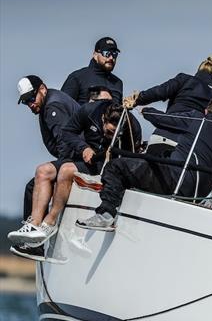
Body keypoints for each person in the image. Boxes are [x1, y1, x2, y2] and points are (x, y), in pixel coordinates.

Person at [76, 96, 212, 231]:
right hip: (198, 196)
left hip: (174, 181)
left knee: (116, 167)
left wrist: (145, 110)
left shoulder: (198, 119)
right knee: (164, 155)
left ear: (207, 111)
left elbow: (162, 119)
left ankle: (106, 215)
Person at [8, 96, 139, 252]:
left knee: (66, 170)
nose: (109, 136)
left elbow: (132, 159)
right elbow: (67, 132)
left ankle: (50, 223)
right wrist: (83, 148)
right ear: (103, 119)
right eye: (108, 132)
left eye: (114, 134)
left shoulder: (132, 126)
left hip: (107, 167)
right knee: (42, 170)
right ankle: (34, 225)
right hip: (86, 159)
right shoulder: (89, 111)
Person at [7, 75, 80, 260]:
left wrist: (60, 172)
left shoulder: (52, 107)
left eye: (31, 98)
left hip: (78, 157)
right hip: (75, 154)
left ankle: (35, 235)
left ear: (42, 89)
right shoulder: (51, 101)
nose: (30, 104)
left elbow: (66, 141)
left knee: (42, 174)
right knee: (32, 187)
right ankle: (33, 234)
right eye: (25, 102)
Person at [123, 56, 212, 153]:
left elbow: (159, 92)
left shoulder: (185, 79)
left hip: (164, 137)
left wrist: (137, 99)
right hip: (189, 148)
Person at [61, 37, 123, 103]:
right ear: (95, 55)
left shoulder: (117, 83)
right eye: (107, 53)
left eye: (114, 54)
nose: (111, 58)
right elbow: (62, 107)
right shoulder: (78, 77)